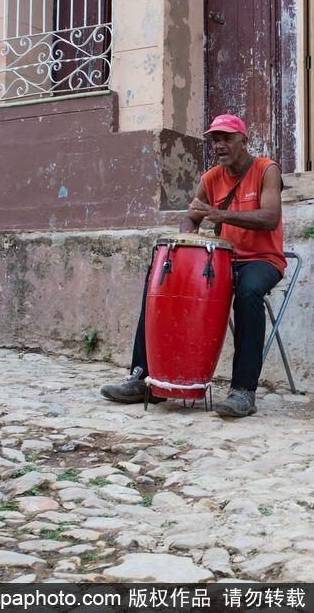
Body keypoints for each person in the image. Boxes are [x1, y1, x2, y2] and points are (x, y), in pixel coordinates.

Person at [101, 114, 286, 418]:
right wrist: (187, 240)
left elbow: (270, 218)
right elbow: (192, 217)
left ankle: (243, 391)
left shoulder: (267, 170)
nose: (220, 145)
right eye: (215, 139)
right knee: (159, 284)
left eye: (227, 138)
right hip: (221, 262)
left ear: (244, 140)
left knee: (250, 292)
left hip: (261, 261)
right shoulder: (211, 178)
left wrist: (217, 215)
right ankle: (144, 378)